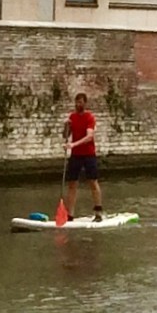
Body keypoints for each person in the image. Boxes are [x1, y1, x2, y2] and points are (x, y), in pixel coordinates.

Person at [63, 93, 103, 222]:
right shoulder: (72, 117)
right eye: (76, 102)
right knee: (72, 184)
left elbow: (89, 137)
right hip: (76, 155)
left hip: (88, 154)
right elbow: (65, 135)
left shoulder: (89, 117)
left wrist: (73, 144)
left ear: (85, 103)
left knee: (92, 182)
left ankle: (98, 212)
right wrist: (66, 126)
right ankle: (70, 215)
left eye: (80, 102)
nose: (77, 105)